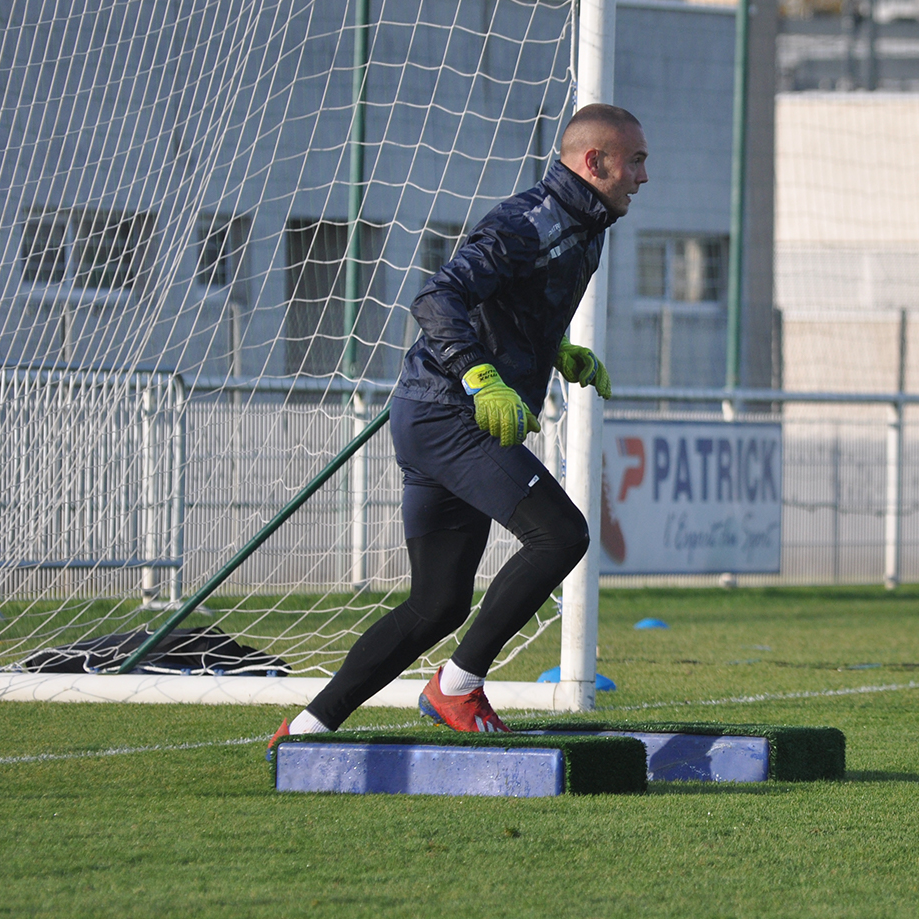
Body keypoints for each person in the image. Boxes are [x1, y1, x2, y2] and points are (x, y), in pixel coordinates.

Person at [268, 104, 648, 753]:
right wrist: (479, 377)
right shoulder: (532, 221)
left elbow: (510, 303)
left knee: (437, 604)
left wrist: (552, 351)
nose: (643, 177)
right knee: (561, 536)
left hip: (441, 415)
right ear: (596, 162)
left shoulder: (588, 221)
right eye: (635, 161)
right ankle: (457, 687)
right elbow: (438, 298)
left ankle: (304, 730)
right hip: (447, 411)